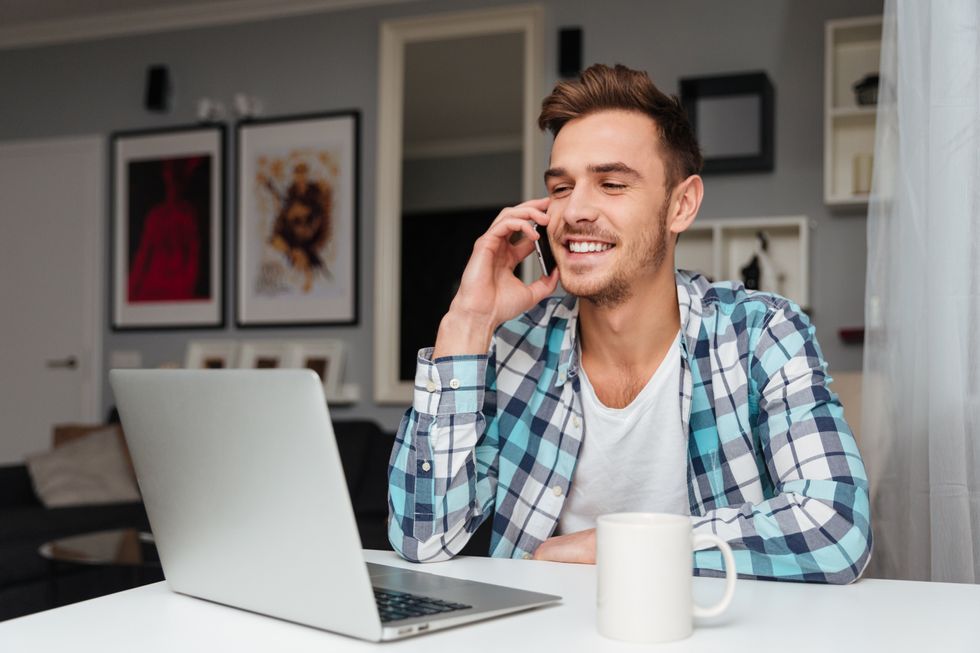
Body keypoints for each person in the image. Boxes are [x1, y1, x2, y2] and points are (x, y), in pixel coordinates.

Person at [387, 64, 872, 584]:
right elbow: (422, 538)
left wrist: (623, 547)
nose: (575, 211)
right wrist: (467, 320)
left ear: (681, 205)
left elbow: (835, 528)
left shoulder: (761, 334)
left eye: (611, 184)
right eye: (561, 187)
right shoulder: (511, 348)